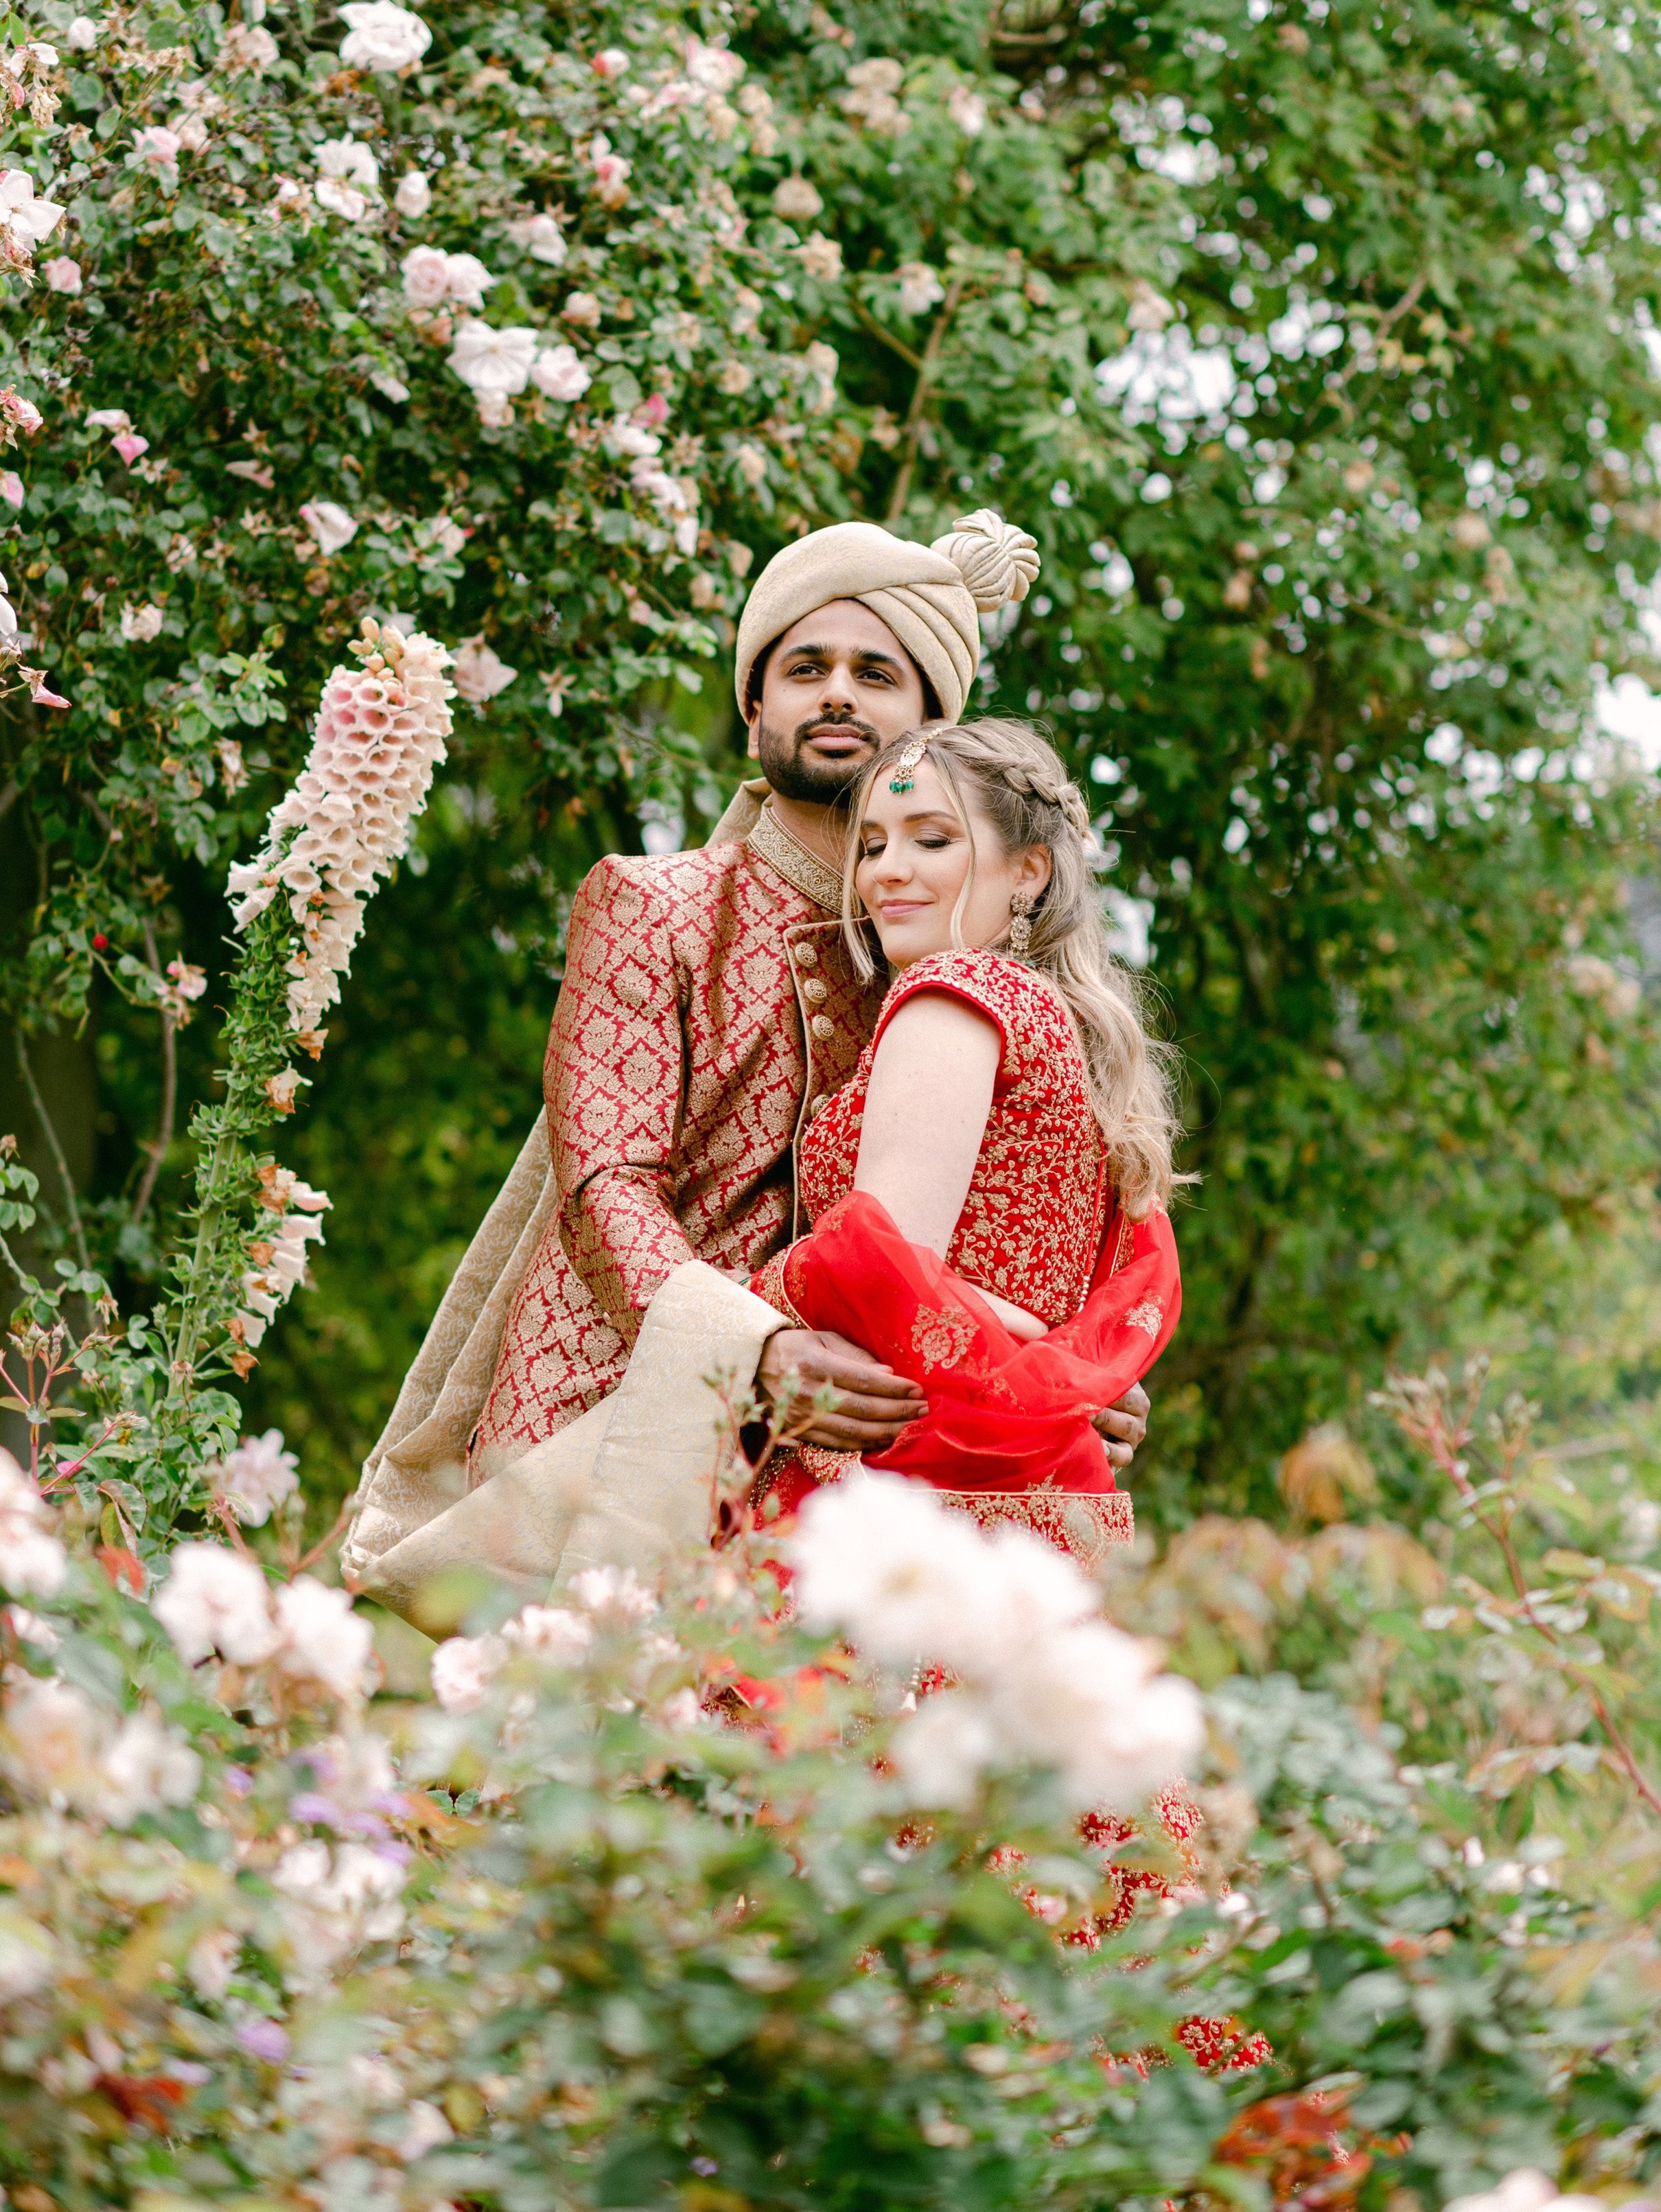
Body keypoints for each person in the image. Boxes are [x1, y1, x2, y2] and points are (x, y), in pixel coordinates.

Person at [344, 512, 1152, 1612]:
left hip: (858, 1474)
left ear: (929, 727)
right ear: (753, 704)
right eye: (804, 666)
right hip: (604, 1429)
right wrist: (758, 1353)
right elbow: (603, 1188)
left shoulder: (950, 961)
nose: (839, 695)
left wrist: (1066, 1380)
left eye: (879, 673)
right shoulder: (655, 903)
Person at [744, 719, 1184, 1568]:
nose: (885, 871)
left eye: (931, 838)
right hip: (1041, 1493)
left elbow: (882, 1270)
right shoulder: (1075, 1034)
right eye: (870, 845)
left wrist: (751, 1301)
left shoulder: (952, 991)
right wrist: (1066, 1374)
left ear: (1029, 871)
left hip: (905, 1489)